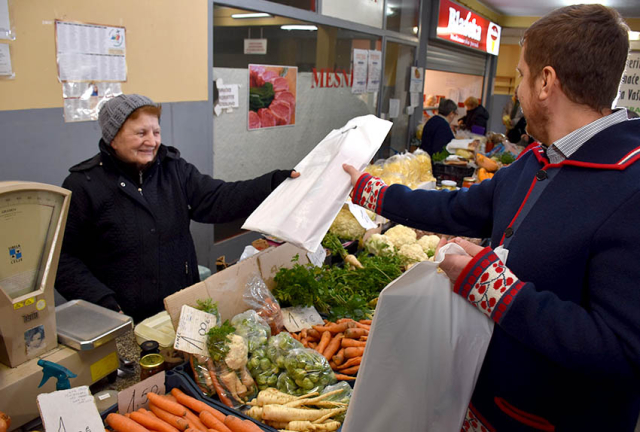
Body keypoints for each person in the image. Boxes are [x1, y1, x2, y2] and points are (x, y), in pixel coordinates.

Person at [344, 5, 640, 430]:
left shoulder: (630, 186)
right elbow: (455, 210)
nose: (516, 89)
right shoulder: (537, 161)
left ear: (545, 82)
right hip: (483, 403)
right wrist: (367, 190)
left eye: (520, 75)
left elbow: (623, 350)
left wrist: (491, 286)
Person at [55, 94, 299, 322]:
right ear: (113, 137)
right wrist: (104, 303)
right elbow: (63, 260)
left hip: (181, 308)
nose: (152, 141)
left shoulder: (173, 170)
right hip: (124, 319)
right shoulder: (84, 185)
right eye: (141, 133)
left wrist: (273, 183)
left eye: (156, 132)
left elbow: (219, 199)